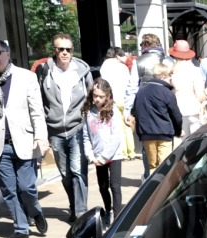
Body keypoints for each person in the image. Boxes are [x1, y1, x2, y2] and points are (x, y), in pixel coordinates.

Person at [0, 39, 48, 238]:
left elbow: (37, 111)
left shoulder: (26, 77)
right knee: (9, 190)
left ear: (7, 53)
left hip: (24, 140)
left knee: (26, 187)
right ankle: (21, 227)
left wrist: (41, 137)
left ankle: (35, 211)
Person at [36, 33, 95, 220]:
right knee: (65, 174)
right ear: (54, 50)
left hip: (77, 127)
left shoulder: (82, 70)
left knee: (78, 170)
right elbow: (37, 100)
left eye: (68, 49)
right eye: (60, 49)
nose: (64, 53)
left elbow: (92, 98)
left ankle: (80, 212)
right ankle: (73, 205)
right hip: (54, 130)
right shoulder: (44, 70)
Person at [82, 79, 125, 224]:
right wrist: (91, 155)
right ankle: (108, 210)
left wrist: (105, 156)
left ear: (107, 95)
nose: (97, 99)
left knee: (115, 186)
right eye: (95, 96)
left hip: (113, 155)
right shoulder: (88, 112)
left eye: (101, 96)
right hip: (97, 156)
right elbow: (86, 136)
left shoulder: (114, 112)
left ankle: (118, 216)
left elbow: (116, 137)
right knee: (102, 186)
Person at [132, 62, 182, 172]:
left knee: (152, 167)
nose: (170, 79)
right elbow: (176, 115)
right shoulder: (167, 93)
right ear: (164, 76)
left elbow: (135, 111)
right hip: (164, 133)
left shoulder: (141, 91)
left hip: (147, 133)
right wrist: (178, 131)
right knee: (164, 167)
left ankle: (152, 187)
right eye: (170, 76)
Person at [168, 39, 207, 135]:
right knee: (195, 144)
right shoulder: (195, 71)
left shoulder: (171, 72)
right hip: (194, 111)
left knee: (180, 145)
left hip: (177, 112)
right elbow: (200, 95)